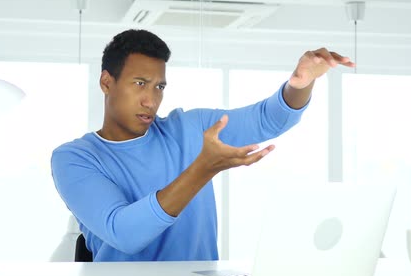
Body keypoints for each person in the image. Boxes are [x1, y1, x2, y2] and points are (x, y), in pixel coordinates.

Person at [51, 29, 354, 262]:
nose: (151, 100)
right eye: (140, 83)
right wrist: (202, 168)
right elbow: (124, 233)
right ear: (106, 82)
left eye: (159, 86)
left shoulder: (190, 128)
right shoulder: (74, 158)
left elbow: (267, 120)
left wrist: (299, 85)